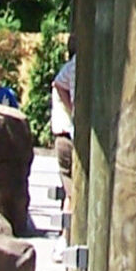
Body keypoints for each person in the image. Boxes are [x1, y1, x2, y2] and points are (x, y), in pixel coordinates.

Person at [51, 38, 78, 185]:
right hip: (68, 132)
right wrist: (71, 108)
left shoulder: (68, 68)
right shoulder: (74, 65)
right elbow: (58, 84)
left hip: (66, 132)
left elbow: (58, 84)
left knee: (69, 183)